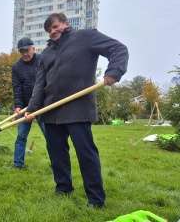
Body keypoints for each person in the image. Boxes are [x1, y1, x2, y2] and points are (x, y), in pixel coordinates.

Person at [25, 13, 129, 208]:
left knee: (85, 153)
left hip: (77, 108)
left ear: (65, 23)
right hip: (51, 110)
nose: (53, 31)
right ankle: (63, 188)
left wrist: (114, 71)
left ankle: (96, 199)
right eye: (49, 30)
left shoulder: (85, 37)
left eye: (55, 26)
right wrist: (31, 109)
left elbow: (119, 49)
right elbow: (40, 85)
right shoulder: (46, 54)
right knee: (57, 153)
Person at [12, 37, 46, 169]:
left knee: (50, 136)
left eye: (27, 50)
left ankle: (57, 164)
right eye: (22, 51)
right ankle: (18, 164)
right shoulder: (16, 67)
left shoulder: (43, 60)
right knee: (21, 136)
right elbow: (17, 88)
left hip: (43, 105)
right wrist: (18, 106)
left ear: (33, 48)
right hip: (25, 107)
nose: (25, 54)